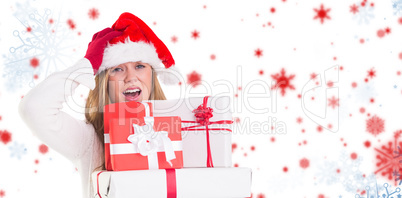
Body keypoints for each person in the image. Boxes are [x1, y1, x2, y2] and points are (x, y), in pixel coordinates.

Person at [18, 12, 179, 198]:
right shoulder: (88, 139)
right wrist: (86, 68)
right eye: (117, 69)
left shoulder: (177, 132)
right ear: (105, 83)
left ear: (152, 75)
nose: (130, 77)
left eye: (140, 66)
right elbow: (33, 108)